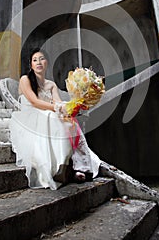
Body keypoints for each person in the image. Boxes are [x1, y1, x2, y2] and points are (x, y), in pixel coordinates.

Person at [9, 47, 115, 190]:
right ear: (31, 64)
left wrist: (73, 105)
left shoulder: (51, 84)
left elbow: (57, 102)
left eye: (41, 59)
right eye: (35, 60)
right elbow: (34, 102)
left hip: (48, 113)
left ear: (46, 62)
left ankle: (79, 166)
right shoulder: (25, 79)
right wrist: (57, 109)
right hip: (31, 116)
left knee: (69, 121)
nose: (38, 62)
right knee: (52, 117)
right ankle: (62, 166)